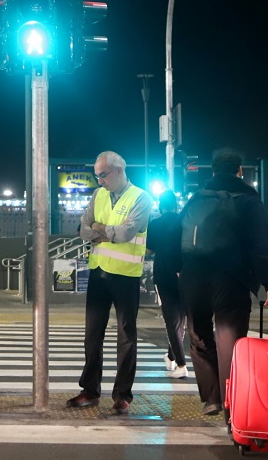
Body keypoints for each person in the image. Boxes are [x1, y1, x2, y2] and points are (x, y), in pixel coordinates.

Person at [178, 148, 268, 417]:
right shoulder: (248, 200)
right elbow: (260, 246)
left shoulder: (195, 198)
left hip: (194, 278)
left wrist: (180, 270)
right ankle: (233, 408)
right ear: (240, 171)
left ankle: (212, 398)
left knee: (199, 336)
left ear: (213, 171)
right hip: (232, 280)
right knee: (232, 344)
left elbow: (176, 234)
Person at [68, 151, 152, 415]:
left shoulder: (141, 197)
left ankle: (122, 395)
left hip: (126, 274)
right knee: (92, 334)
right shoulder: (98, 195)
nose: (99, 181)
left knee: (126, 335)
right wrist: (107, 232)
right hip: (99, 271)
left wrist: (100, 228)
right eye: (96, 176)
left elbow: (127, 233)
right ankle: (90, 390)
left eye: (102, 175)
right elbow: (83, 229)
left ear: (118, 171)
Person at [146, 190, 188, 379]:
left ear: (160, 206)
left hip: (163, 275)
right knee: (181, 320)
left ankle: (181, 363)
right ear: (176, 205)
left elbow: (149, 250)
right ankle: (172, 355)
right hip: (185, 275)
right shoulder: (184, 221)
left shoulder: (155, 224)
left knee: (172, 321)